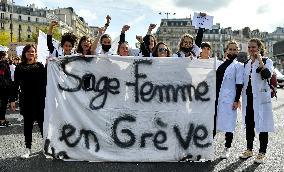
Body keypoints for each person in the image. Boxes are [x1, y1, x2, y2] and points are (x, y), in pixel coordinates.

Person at [239, 38, 274, 164]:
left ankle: (262, 151)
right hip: (248, 99)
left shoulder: (266, 61)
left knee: (262, 124)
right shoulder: (247, 63)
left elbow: (266, 75)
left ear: (259, 48)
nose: (251, 49)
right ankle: (249, 149)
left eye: (253, 47)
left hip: (260, 99)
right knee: (249, 124)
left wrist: (260, 61)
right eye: (249, 47)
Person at [12, 44, 47, 158]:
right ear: (24, 53)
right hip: (26, 100)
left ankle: (46, 147)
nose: (31, 53)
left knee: (42, 124)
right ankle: (28, 149)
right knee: (28, 125)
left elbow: (47, 81)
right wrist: (13, 100)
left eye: (32, 51)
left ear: (35, 53)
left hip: (40, 99)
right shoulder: (19, 67)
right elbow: (15, 84)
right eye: (28, 51)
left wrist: (49, 64)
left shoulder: (40, 66)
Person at [215, 41, 243, 159]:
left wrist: (236, 100)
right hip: (216, 97)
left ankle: (227, 147)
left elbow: (239, 84)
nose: (232, 51)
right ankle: (206, 146)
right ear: (226, 50)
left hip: (230, 98)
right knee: (213, 122)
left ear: (238, 51)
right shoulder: (219, 64)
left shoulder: (239, 66)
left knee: (229, 124)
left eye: (234, 49)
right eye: (230, 49)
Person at [0, 49, 14, 127]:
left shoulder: (3, 63)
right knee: (3, 104)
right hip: (3, 88)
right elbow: (1, 76)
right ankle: (1, 121)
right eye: (6, 55)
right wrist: (6, 84)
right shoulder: (3, 64)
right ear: (3, 56)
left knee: (3, 104)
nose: (7, 56)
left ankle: (3, 119)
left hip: (3, 87)